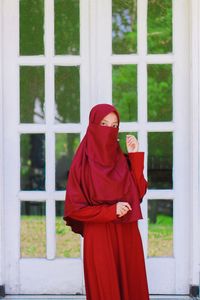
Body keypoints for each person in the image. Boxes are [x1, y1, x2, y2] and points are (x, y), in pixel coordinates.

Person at [63, 103, 149, 300]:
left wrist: (135, 156)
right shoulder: (81, 165)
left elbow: (138, 195)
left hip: (127, 232)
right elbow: (75, 210)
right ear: (92, 125)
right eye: (103, 123)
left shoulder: (122, 160)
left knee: (132, 286)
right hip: (99, 234)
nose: (108, 130)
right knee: (105, 288)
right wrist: (110, 211)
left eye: (113, 126)